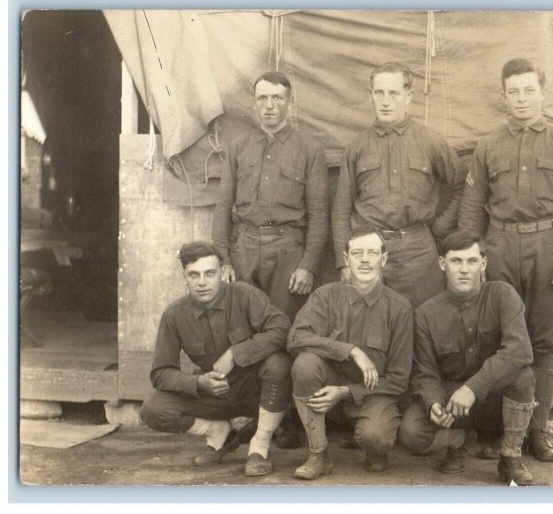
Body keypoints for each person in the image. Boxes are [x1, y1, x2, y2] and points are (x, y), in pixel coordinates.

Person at [458, 58, 553, 462]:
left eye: (528, 90)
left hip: (549, 247)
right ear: (503, 96)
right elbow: (471, 207)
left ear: (542, 93)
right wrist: (475, 256)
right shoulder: (489, 145)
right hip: (500, 246)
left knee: (544, 343)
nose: (521, 99)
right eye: (513, 91)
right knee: (498, 340)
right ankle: (495, 432)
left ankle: (537, 432)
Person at [139, 241, 293, 477]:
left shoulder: (245, 295)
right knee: (153, 409)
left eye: (210, 273)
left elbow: (282, 330)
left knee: (279, 364)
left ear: (222, 273)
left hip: (258, 391)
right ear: (185, 277)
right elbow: (161, 373)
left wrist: (235, 354)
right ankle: (218, 431)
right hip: (215, 394)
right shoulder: (174, 315)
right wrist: (198, 383)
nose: (202, 282)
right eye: (194, 275)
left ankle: (259, 447)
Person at [398, 230, 537, 485]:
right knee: (411, 432)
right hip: (454, 404)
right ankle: (462, 440)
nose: (464, 269)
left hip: (496, 400)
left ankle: (510, 457)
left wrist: (473, 388)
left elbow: (519, 351)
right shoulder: (426, 314)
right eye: (456, 261)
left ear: (483, 264)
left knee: (523, 377)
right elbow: (425, 373)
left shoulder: (502, 295)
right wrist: (434, 404)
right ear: (442, 264)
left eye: (472, 261)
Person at [331, 62, 466, 308]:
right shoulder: (357, 147)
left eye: (394, 93)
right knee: (368, 325)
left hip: (417, 253)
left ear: (409, 96)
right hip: (368, 252)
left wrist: (440, 227)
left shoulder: (430, 141)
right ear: (370, 95)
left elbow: (462, 186)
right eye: (379, 93)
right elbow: (341, 208)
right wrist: (344, 263)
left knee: (421, 327)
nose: (385, 101)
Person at [287, 228, 413, 480]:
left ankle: (372, 447)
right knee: (305, 364)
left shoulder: (399, 308)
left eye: (372, 253)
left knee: (376, 439)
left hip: (371, 396)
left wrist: (345, 392)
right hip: (326, 392)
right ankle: (318, 454)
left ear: (384, 260)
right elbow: (295, 338)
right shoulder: (325, 296)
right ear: (346, 259)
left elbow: (399, 379)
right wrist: (351, 350)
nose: (365, 260)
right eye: (357, 253)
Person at [212, 71, 329, 323]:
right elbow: (222, 208)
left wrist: (307, 265)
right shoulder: (238, 148)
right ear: (254, 102)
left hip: (287, 252)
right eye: (262, 98)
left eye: (277, 98)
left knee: (283, 325)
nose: (269, 106)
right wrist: (223, 260)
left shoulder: (309, 150)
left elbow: (319, 215)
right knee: (242, 323)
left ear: (290, 101)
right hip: (244, 249)